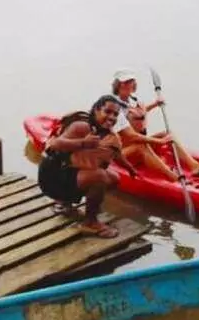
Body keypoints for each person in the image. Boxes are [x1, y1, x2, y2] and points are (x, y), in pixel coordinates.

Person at [38, 95, 136, 238]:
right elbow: (55, 144)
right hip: (52, 177)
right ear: (96, 110)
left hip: (70, 173)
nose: (111, 117)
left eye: (115, 114)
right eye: (107, 112)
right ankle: (89, 222)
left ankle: (72, 203)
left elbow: (117, 154)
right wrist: (83, 143)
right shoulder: (82, 127)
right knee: (100, 176)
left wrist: (130, 169)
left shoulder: (110, 135)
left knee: (114, 178)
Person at [110, 69, 199, 182]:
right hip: (121, 153)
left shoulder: (131, 100)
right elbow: (131, 136)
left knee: (166, 134)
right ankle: (174, 178)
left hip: (138, 143)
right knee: (141, 146)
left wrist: (155, 104)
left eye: (130, 81)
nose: (128, 84)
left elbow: (138, 114)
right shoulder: (114, 107)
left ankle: (195, 166)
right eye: (124, 82)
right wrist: (159, 141)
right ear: (118, 85)